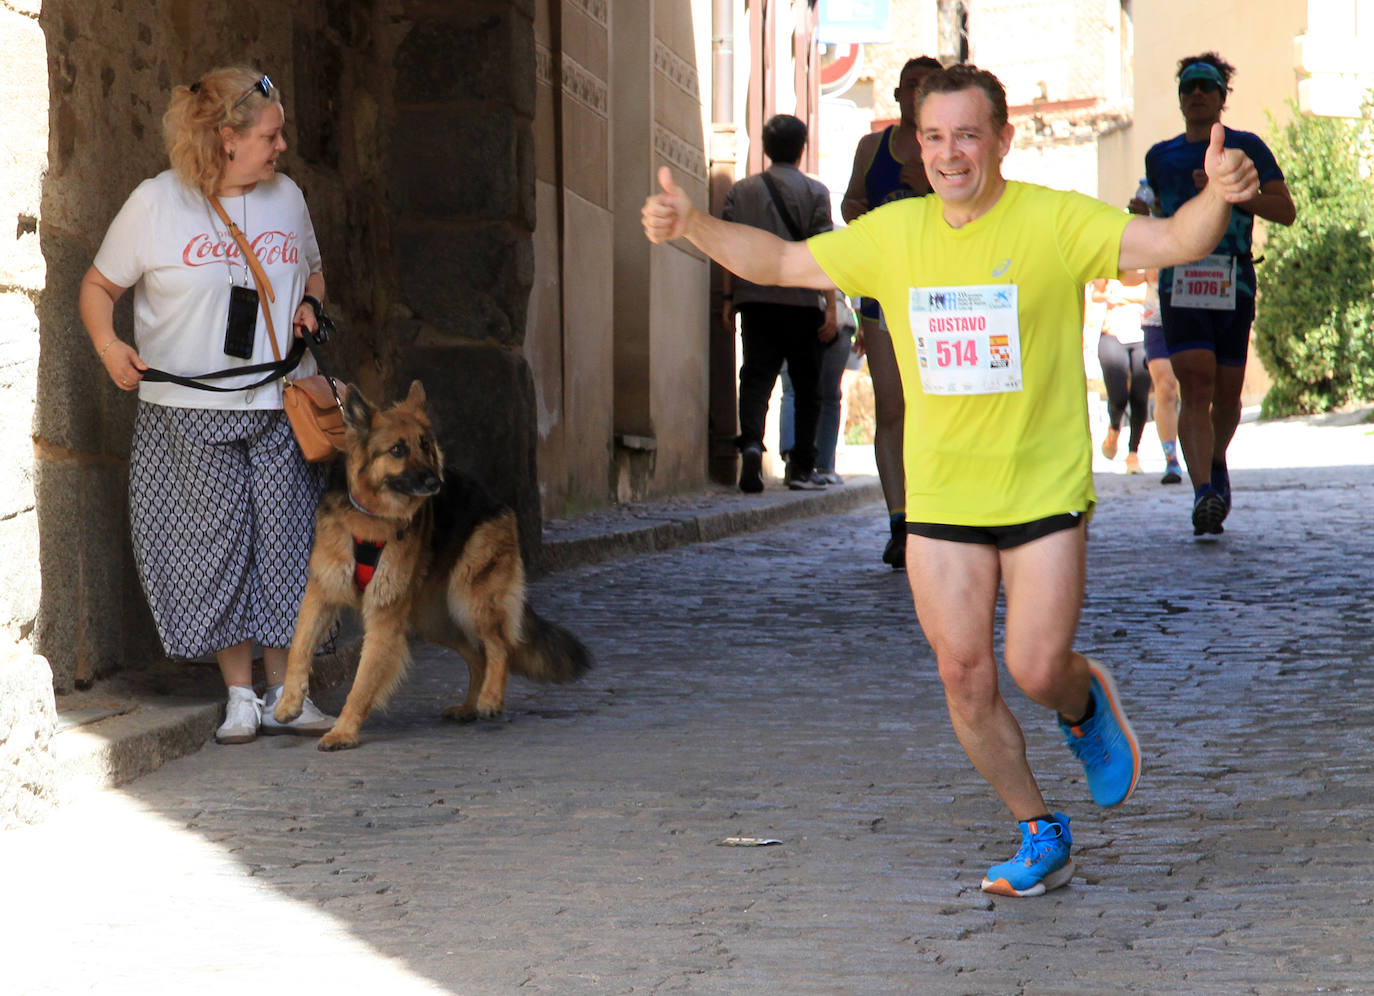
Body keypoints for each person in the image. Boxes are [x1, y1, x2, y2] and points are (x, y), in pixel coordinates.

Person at [643, 63, 1263, 896]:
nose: (950, 153)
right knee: (964, 674)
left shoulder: (1051, 220)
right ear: (916, 144)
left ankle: (1081, 704)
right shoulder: (895, 234)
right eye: (934, 137)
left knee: (1035, 667)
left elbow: (1174, 242)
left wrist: (1219, 193)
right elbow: (786, 262)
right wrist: (693, 227)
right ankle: (1038, 827)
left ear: (1001, 140)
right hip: (941, 499)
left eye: (967, 135)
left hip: (1041, 490)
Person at [78, 66, 337, 745]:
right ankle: (240, 695)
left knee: (286, 549)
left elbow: (311, 268)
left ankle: (288, 693)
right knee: (213, 548)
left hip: (280, 402)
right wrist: (108, 347)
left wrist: (310, 302)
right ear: (228, 137)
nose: (282, 146)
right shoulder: (155, 203)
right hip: (188, 408)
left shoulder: (289, 199)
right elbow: (98, 286)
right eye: (271, 135)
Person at [1131, 53, 1295, 534]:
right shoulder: (1160, 156)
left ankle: (1216, 464)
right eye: (1188, 87)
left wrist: (1235, 193)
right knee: (1195, 382)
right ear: (1180, 97)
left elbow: (1285, 211)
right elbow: (1153, 209)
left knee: (1226, 393)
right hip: (1180, 277)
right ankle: (1203, 491)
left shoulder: (1247, 147)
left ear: (1223, 97)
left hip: (1234, 277)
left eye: (1206, 86)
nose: (1196, 94)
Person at [841, 55, 943, 568]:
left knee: (941, 410)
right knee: (893, 408)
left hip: (941, 300)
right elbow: (850, 205)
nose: (916, 95)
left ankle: (938, 515)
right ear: (900, 96)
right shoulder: (871, 147)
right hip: (883, 296)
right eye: (910, 87)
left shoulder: (954, 146)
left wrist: (929, 189)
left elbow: (980, 211)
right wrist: (867, 218)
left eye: (928, 87)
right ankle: (900, 520)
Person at [721, 114, 837, 493]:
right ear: (801, 149)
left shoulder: (740, 191)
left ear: (765, 148)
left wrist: (727, 298)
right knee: (807, 387)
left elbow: (728, 250)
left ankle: (752, 443)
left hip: (755, 299)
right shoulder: (816, 192)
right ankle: (801, 467)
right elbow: (824, 252)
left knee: (756, 377)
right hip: (803, 301)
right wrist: (831, 306)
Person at [779, 292, 859, 485]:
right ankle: (823, 466)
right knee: (828, 396)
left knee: (793, 391)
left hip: (787, 309)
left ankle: (795, 461)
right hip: (833, 315)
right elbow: (857, 290)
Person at [1092, 273, 1153, 475]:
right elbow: (1096, 294)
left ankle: (1133, 453)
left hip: (1142, 335)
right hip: (1113, 335)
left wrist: (1120, 297)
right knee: (1118, 398)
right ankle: (1114, 427)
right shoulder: (1113, 265)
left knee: (1140, 397)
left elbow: (1152, 292)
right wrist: (1111, 296)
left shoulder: (1148, 267)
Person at [1139, 268, 1185, 484]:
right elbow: (1126, 273)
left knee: (1194, 388)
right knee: (1165, 389)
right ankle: (1171, 459)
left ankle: (1207, 457)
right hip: (1156, 319)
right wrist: (1145, 270)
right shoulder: (1144, 233)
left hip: (1191, 309)